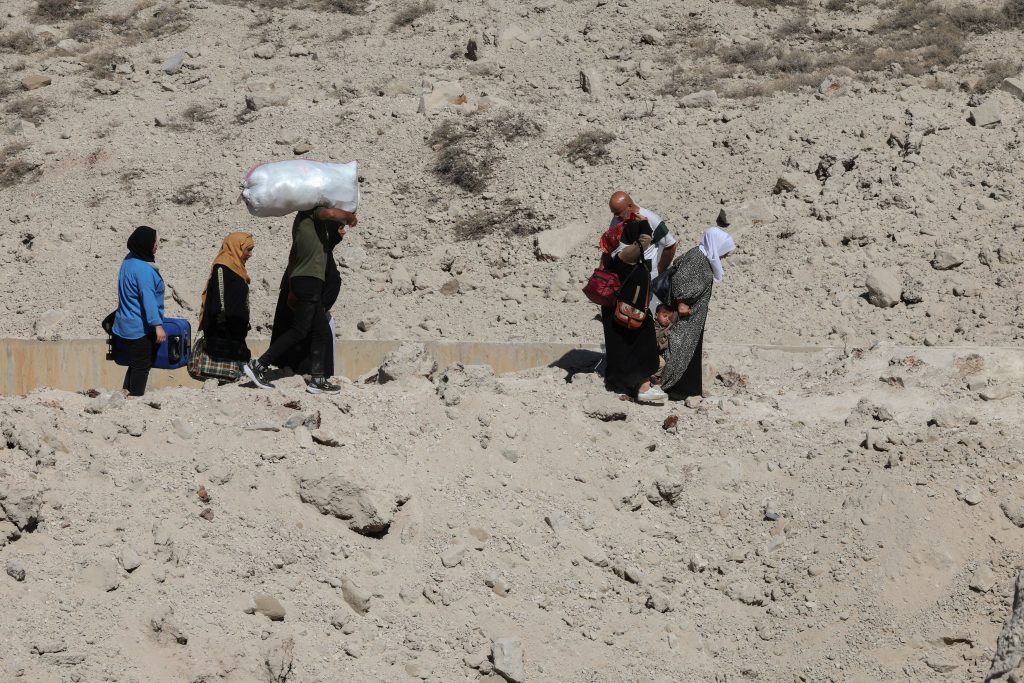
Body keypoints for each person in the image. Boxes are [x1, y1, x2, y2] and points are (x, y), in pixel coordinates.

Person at [244, 206, 356, 394]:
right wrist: (349, 217)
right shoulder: (311, 213)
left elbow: (296, 256)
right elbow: (330, 213)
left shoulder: (312, 233)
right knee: (299, 330)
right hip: (309, 281)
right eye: (338, 227)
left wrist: (292, 287)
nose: (342, 231)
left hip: (305, 281)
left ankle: (318, 379)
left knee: (320, 330)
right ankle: (259, 365)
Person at [660, 227, 736, 401]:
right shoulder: (697, 258)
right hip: (686, 318)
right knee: (678, 347)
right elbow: (679, 279)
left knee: (687, 350)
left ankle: (685, 389)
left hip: (693, 320)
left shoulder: (702, 257)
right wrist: (681, 302)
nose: (724, 257)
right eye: (724, 252)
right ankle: (671, 386)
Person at [597, 216, 667, 404]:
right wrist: (643, 221)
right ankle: (643, 388)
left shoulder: (616, 253)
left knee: (624, 348)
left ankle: (625, 383)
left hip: (620, 310)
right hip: (629, 312)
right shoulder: (626, 253)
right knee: (642, 347)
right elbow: (646, 239)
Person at [269, 228, 341, 377]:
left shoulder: (315, 252)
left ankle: (261, 365)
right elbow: (331, 282)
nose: (343, 232)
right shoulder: (316, 253)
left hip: (306, 308)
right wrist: (318, 309)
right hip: (307, 309)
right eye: (339, 228)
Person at [112, 226, 165, 397]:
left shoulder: (129, 260)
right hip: (139, 327)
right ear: (146, 244)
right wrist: (157, 325)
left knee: (135, 363)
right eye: (155, 241)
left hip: (124, 323)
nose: (157, 244)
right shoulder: (144, 270)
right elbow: (148, 300)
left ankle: (125, 393)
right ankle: (135, 397)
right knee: (142, 365)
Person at [607, 191, 677, 311]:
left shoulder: (651, 219)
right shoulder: (617, 220)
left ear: (629, 206)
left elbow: (670, 245)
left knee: (646, 310)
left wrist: (659, 272)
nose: (616, 217)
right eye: (614, 213)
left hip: (648, 277)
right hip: (626, 276)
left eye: (618, 213)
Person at [198, 232, 255, 374]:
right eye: (248, 250)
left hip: (235, 330)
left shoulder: (238, 267)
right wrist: (224, 323)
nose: (250, 254)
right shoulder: (222, 267)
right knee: (222, 371)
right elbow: (218, 300)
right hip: (223, 331)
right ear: (237, 248)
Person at [652, 303, 676, 383]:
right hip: (646, 350)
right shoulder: (651, 324)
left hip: (656, 352)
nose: (667, 319)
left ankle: (654, 377)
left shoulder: (668, 329)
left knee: (662, 363)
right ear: (656, 315)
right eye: (665, 316)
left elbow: (664, 344)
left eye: (669, 318)